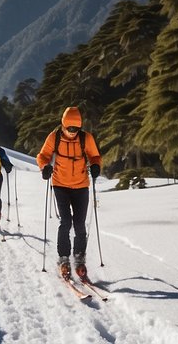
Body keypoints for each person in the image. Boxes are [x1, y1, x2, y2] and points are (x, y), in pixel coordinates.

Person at [37, 107, 101, 280]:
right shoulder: (54, 137)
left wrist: (96, 165)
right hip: (60, 185)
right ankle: (64, 259)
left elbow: (95, 156)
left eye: (76, 129)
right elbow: (42, 155)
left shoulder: (85, 138)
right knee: (65, 222)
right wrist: (45, 167)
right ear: (63, 125)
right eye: (69, 128)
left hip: (81, 186)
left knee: (80, 224)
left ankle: (79, 259)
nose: (72, 132)